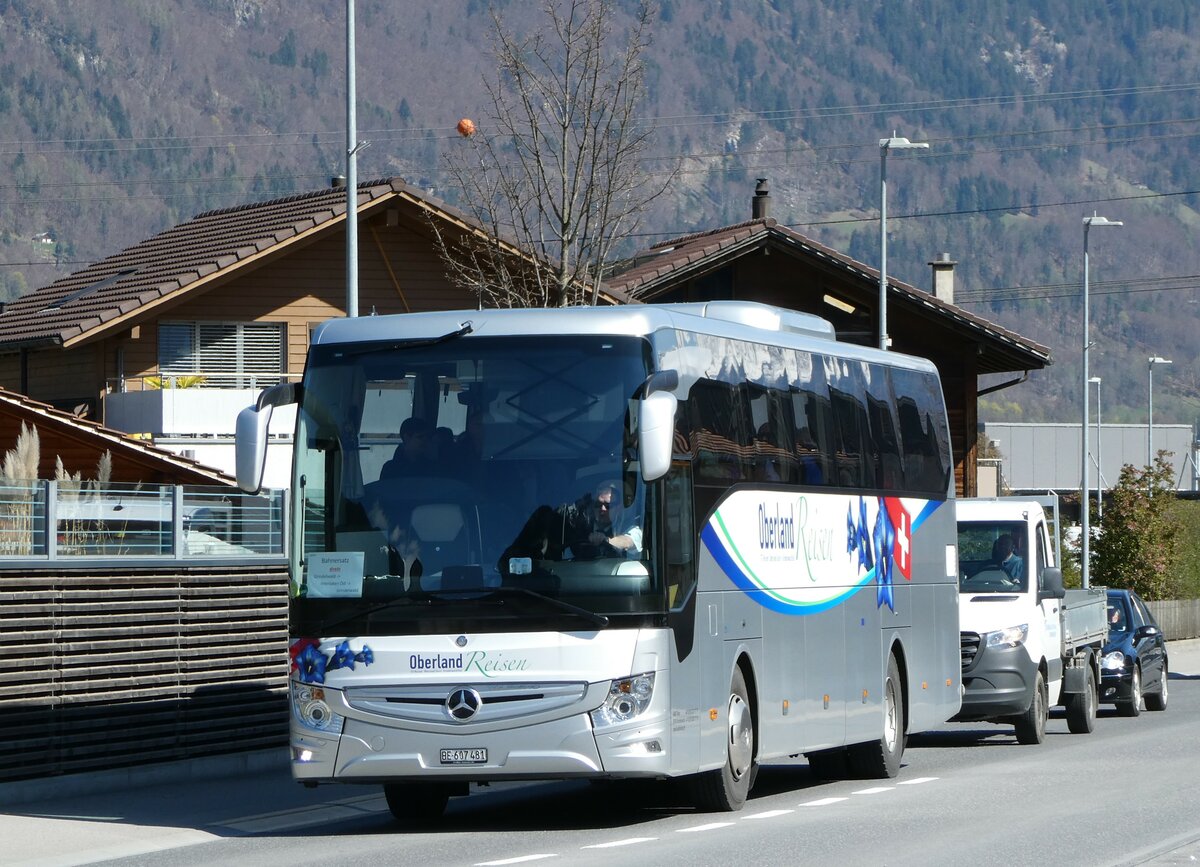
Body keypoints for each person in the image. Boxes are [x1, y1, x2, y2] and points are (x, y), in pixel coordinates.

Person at [562, 480, 642, 559]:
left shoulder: (631, 528)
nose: (602, 509)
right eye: (598, 504)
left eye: (608, 505)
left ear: (619, 508)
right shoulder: (581, 528)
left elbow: (627, 542)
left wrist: (605, 540)